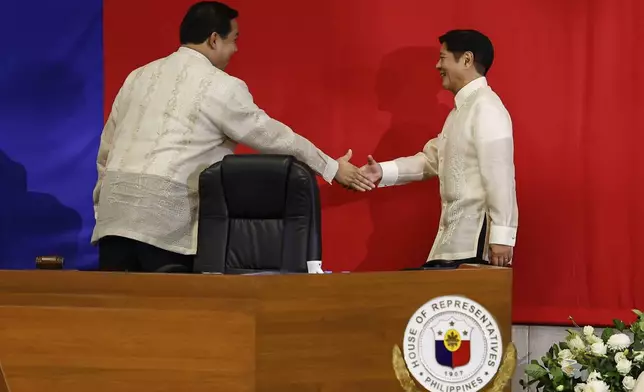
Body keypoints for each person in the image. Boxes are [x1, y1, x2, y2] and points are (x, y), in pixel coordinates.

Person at [92, 1, 374, 272]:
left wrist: (102, 208)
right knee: (170, 316)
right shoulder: (220, 86)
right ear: (214, 39)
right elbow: (274, 137)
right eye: (234, 40)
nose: (236, 49)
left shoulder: (137, 77)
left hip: (113, 217)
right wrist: (332, 168)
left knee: (119, 315)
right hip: (165, 224)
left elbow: (107, 151)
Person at [361, 29, 518, 267]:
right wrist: (380, 172)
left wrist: (502, 237)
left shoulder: (486, 108)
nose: (437, 66)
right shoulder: (458, 112)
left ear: (466, 59)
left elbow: (500, 176)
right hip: (449, 245)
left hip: (472, 244)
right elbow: (432, 160)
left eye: (443, 58)